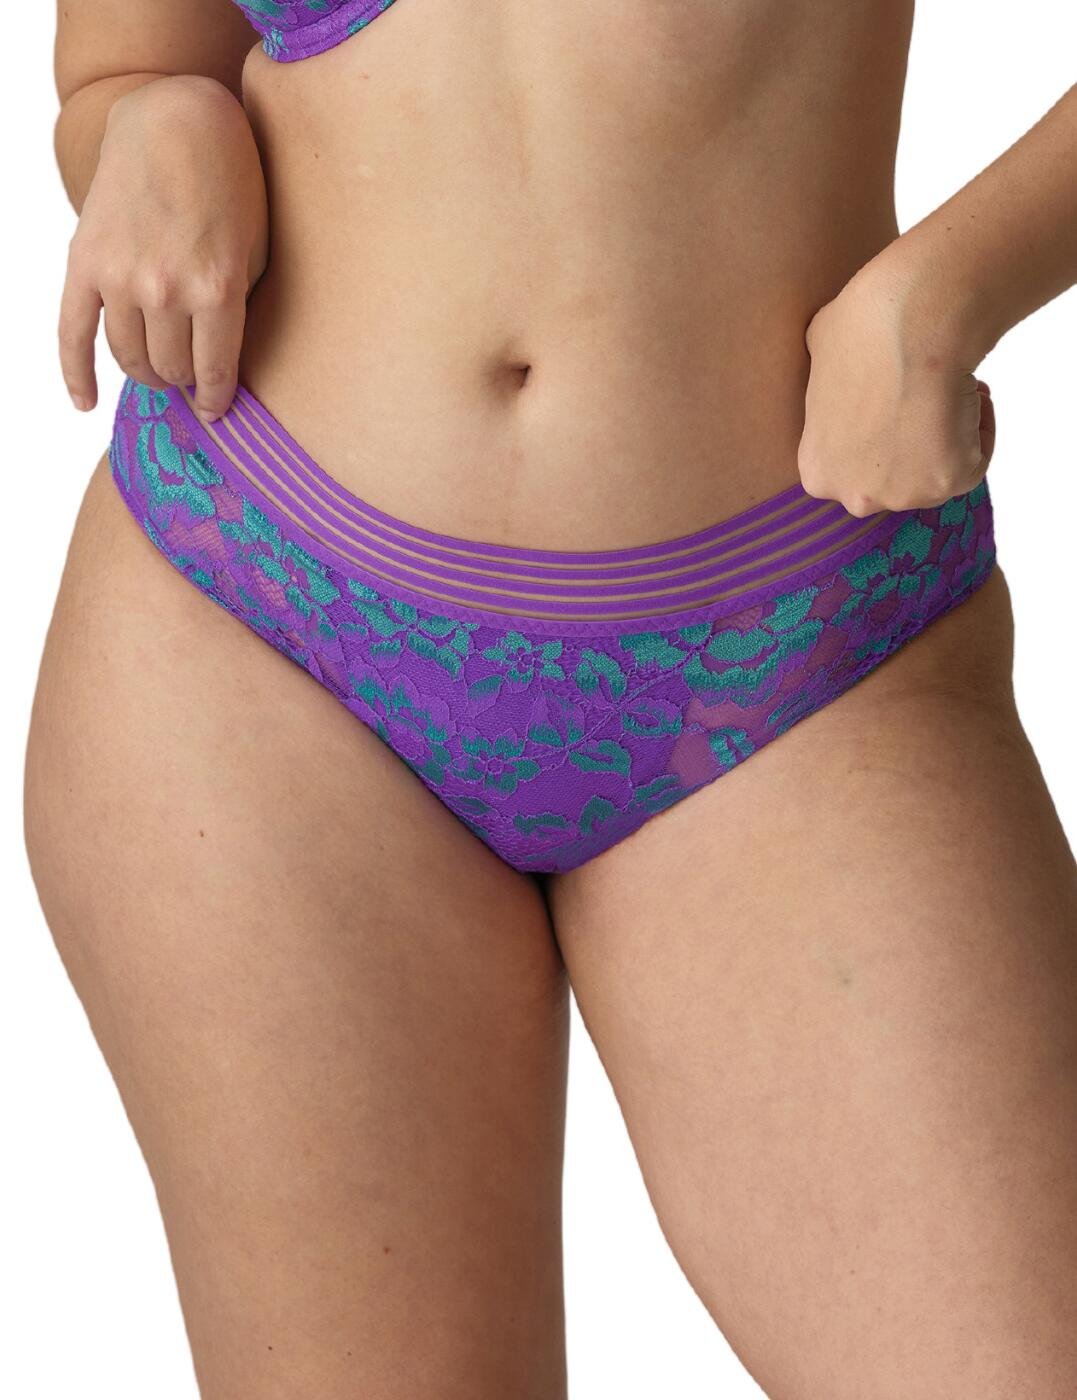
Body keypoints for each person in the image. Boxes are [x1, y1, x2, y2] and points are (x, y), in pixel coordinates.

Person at [23, 2, 1077, 1395]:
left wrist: (948, 292)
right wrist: (150, 119)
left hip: (789, 635)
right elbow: (125, 59)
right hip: (255, 613)